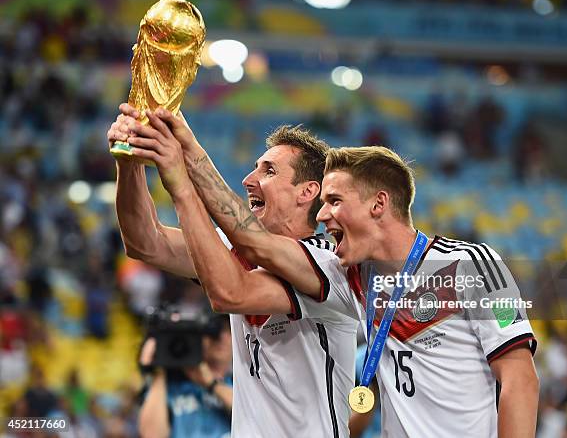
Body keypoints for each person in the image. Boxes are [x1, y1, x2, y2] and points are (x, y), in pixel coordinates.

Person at [122, 112, 538, 438]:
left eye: (334, 201)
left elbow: (519, 378)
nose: (324, 215)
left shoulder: (467, 266)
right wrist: (132, 157)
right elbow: (148, 242)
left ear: (377, 204)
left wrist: (184, 169)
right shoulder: (354, 280)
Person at [107, 106, 358, 438]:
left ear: (307, 192)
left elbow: (231, 292)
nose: (248, 180)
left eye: (268, 171)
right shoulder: (236, 250)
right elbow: (145, 242)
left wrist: (181, 183)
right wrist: (130, 160)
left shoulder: (330, 268)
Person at [138, 314, 233, 438]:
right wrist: (159, 368)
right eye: (214, 331)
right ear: (198, 337)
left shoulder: (241, 382)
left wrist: (211, 384)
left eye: (230, 330)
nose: (221, 337)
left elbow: (255, 416)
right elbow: (152, 435)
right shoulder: (170, 386)